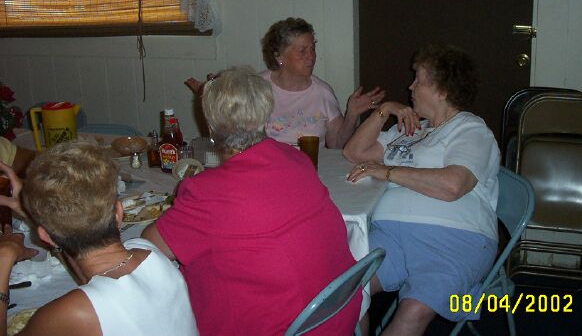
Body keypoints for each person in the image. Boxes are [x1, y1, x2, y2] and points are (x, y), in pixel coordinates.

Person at [144, 66, 360, 335]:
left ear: (210, 127)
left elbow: (150, 246)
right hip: (338, 314)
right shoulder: (296, 159)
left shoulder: (207, 193)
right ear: (265, 114)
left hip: (290, 328)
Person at [343, 44, 500, 335]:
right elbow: (354, 153)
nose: (410, 86)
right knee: (344, 290)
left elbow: (453, 185)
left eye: (419, 80)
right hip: (390, 235)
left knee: (414, 310)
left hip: (454, 238)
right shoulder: (408, 129)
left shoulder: (470, 129)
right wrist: (385, 110)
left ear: (442, 90)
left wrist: (387, 171)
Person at [0, 144, 198, 336]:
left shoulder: (72, 312)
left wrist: (5, 257)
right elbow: (95, 286)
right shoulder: (147, 251)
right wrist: (38, 220)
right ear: (119, 212)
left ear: (45, 237)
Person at [185, 17, 385, 148]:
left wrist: (351, 115)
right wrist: (212, 96)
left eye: (312, 48)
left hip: (310, 171)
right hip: (266, 170)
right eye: (302, 51)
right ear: (279, 56)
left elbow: (337, 146)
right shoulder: (256, 87)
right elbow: (232, 135)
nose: (311, 56)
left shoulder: (322, 92)